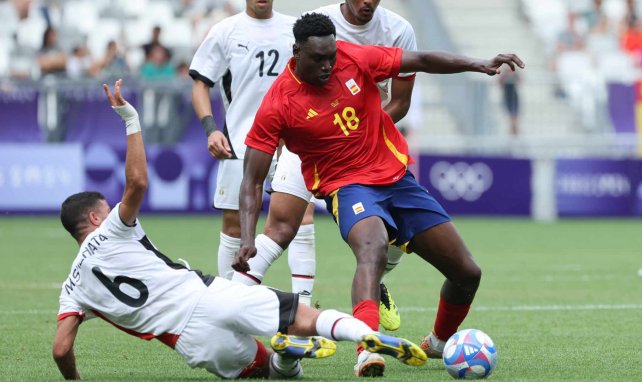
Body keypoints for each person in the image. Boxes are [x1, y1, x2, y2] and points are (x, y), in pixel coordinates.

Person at [52, 79, 427, 380]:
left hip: (189, 340)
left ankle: (282, 359)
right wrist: (131, 120)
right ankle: (365, 337)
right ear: (96, 219)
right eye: (107, 209)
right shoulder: (110, 231)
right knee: (301, 317)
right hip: (209, 294)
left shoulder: (72, 289)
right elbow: (136, 184)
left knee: (267, 372)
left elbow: (61, 349)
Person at [236, 13, 524, 377]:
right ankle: (367, 347)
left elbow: (419, 60)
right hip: (347, 186)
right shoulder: (279, 102)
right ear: (296, 52)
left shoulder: (353, 57)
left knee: (467, 273)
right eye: (318, 59)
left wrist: (478, 63)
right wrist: (247, 237)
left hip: (398, 180)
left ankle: (437, 344)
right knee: (371, 249)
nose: (328, 65)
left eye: (331, 56)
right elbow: (252, 179)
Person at [230, 0, 417, 325]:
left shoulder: (399, 30)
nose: (367, 2)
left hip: (367, 151)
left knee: (400, 235)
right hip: (309, 140)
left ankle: (377, 283)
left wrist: (352, 134)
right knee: (282, 227)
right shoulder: (316, 23)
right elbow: (290, 87)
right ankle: (232, 311)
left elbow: (399, 101)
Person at [190, 0, 317, 304]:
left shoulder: (294, 28)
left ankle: (303, 307)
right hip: (241, 141)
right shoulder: (225, 31)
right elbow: (199, 84)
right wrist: (211, 130)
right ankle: (226, 306)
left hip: (291, 142)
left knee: (303, 218)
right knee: (234, 226)